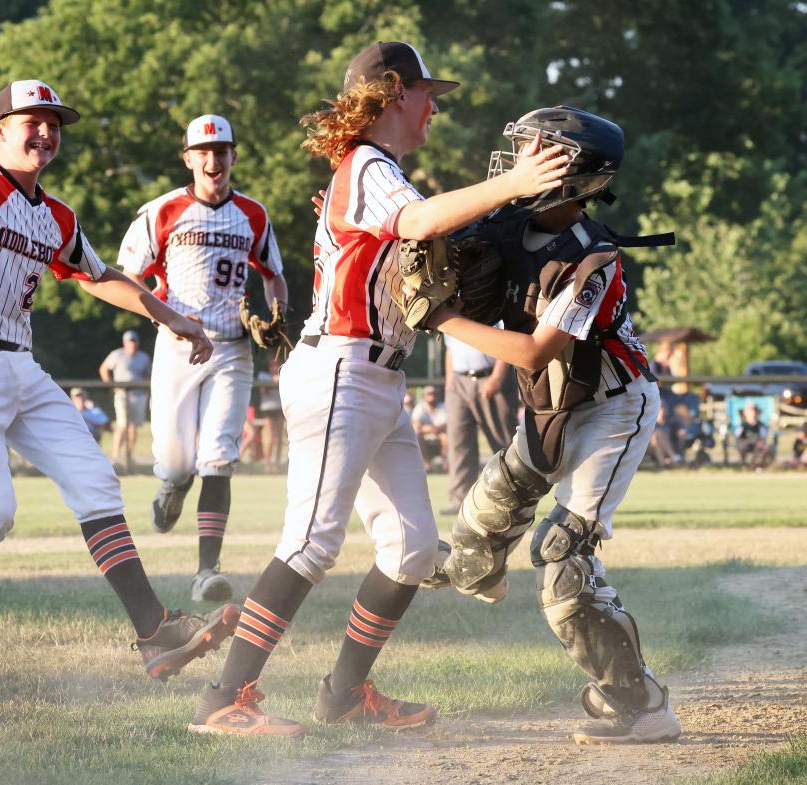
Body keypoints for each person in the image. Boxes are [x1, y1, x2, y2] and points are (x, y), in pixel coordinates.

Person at [187, 41, 569, 736]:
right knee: (310, 542)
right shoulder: (365, 163)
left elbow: (419, 229)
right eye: (427, 94)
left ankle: (343, 692)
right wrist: (514, 183)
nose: (432, 108)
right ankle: (222, 700)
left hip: (374, 376)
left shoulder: (379, 170)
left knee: (413, 549)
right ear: (394, 93)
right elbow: (419, 223)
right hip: (341, 369)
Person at [0, 79, 238, 692]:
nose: (45, 131)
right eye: (31, 120)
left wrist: (171, 316)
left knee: (97, 483)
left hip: (19, 363)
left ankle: (154, 633)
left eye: (54, 123)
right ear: (0, 130)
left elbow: (98, 276)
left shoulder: (57, 215)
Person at [422, 106, 681, 744]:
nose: (517, 164)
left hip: (616, 406)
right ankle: (472, 570)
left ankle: (642, 705)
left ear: (575, 175)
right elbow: (426, 232)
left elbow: (535, 351)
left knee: (561, 556)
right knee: (485, 517)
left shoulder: (595, 261)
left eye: (538, 152)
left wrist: (443, 320)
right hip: (554, 401)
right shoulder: (507, 219)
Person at [116, 113, 289, 603]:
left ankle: (206, 571)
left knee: (219, 456)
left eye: (222, 151)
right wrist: (165, 318)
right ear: (189, 158)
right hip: (177, 347)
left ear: (233, 156)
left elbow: (273, 273)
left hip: (232, 347)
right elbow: (125, 279)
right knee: (175, 462)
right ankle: (172, 484)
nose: (213, 160)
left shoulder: (253, 213)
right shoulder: (162, 210)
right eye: (204, 152)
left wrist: (278, 315)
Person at [442, 335, 518, 513]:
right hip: (458, 381)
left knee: (503, 444)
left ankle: (514, 498)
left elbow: (507, 343)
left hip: (490, 375)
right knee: (458, 443)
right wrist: (449, 384)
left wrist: (497, 377)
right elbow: (450, 349)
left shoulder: (491, 308)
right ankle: (459, 500)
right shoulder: (450, 310)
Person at [99, 329, 151, 471]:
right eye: (130, 341)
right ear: (125, 343)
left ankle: (129, 457)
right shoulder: (117, 354)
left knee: (133, 426)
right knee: (122, 425)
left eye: (134, 341)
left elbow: (148, 375)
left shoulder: (143, 357)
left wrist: (147, 392)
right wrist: (111, 385)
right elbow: (104, 369)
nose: (132, 344)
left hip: (138, 394)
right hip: (122, 393)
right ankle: (115, 457)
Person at [254, 356, 284, 473]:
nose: (274, 367)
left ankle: (276, 463)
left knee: (279, 438)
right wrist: (274, 381)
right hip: (267, 409)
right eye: (272, 364)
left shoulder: (283, 373)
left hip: (280, 408)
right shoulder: (263, 376)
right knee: (270, 437)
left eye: (276, 364)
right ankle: (268, 465)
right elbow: (264, 390)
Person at [411, 384, 448, 471]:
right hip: (424, 437)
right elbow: (416, 425)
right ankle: (425, 464)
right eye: (429, 394)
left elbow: (446, 425)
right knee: (417, 436)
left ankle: (445, 463)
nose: (431, 396)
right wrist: (432, 429)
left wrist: (431, 429)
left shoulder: (443, 406)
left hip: (439, 436)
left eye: (433, 394)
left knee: (445, 436)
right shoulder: (420, 407)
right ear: (424, 396)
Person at [735, 401, 770, 469]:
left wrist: (761, 442)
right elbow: (738, 436)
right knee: (741, 446)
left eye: (754, 412)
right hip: (746, 443)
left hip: (757, 444)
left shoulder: (761, 425)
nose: (752, 414)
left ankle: (757, 466)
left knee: (763, 447)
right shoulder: (743, 425)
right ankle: (745, 464)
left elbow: (763, 437)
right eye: (750, 412)